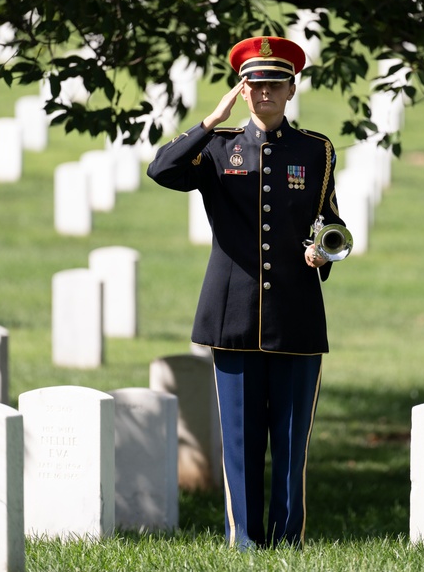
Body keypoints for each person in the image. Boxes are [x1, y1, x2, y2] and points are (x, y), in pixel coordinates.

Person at [146, 35, 347, 549]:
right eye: (255, 85)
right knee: (239, 441)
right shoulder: (217, 148)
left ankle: (288, 539)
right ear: (243, 88)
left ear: (291, 87)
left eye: (274, 84)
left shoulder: (316, 150)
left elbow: (331, 222)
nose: (265, 93)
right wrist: (211, 119)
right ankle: (246, 542)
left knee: (289, 441)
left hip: (296, 315)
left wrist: (324, 251)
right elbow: (162, 169)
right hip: (232, 316)